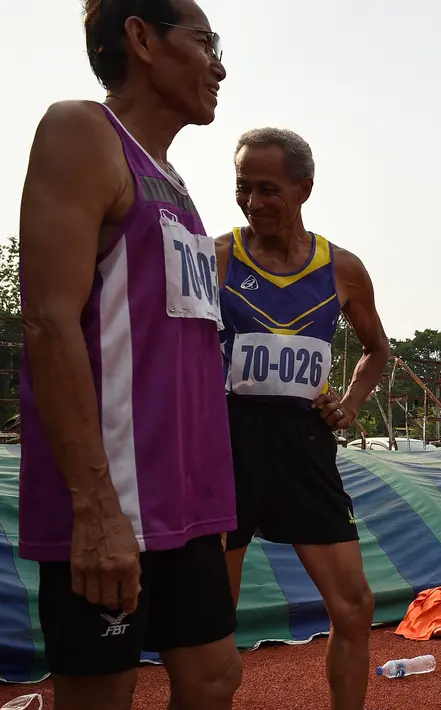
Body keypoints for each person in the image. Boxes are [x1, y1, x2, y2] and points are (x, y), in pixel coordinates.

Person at [17, 2, 240, 709]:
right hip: (112, 503)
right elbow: (50, 323)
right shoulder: (81, 130)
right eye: (204, 42)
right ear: (141, 38)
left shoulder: (172, 181)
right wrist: (95, 510)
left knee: (213, 681)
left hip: (187, 502)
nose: (219, 65)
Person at [218, 128, 390, 710]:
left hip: (304, 448)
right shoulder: (217, 257)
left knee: (355, 605)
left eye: (268, 189)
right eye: (243, 188)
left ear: (305, 188)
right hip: (229, 446)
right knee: (212, 625)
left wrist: (349, 403)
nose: (252, 203)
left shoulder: (342, 269)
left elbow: (376, 351)